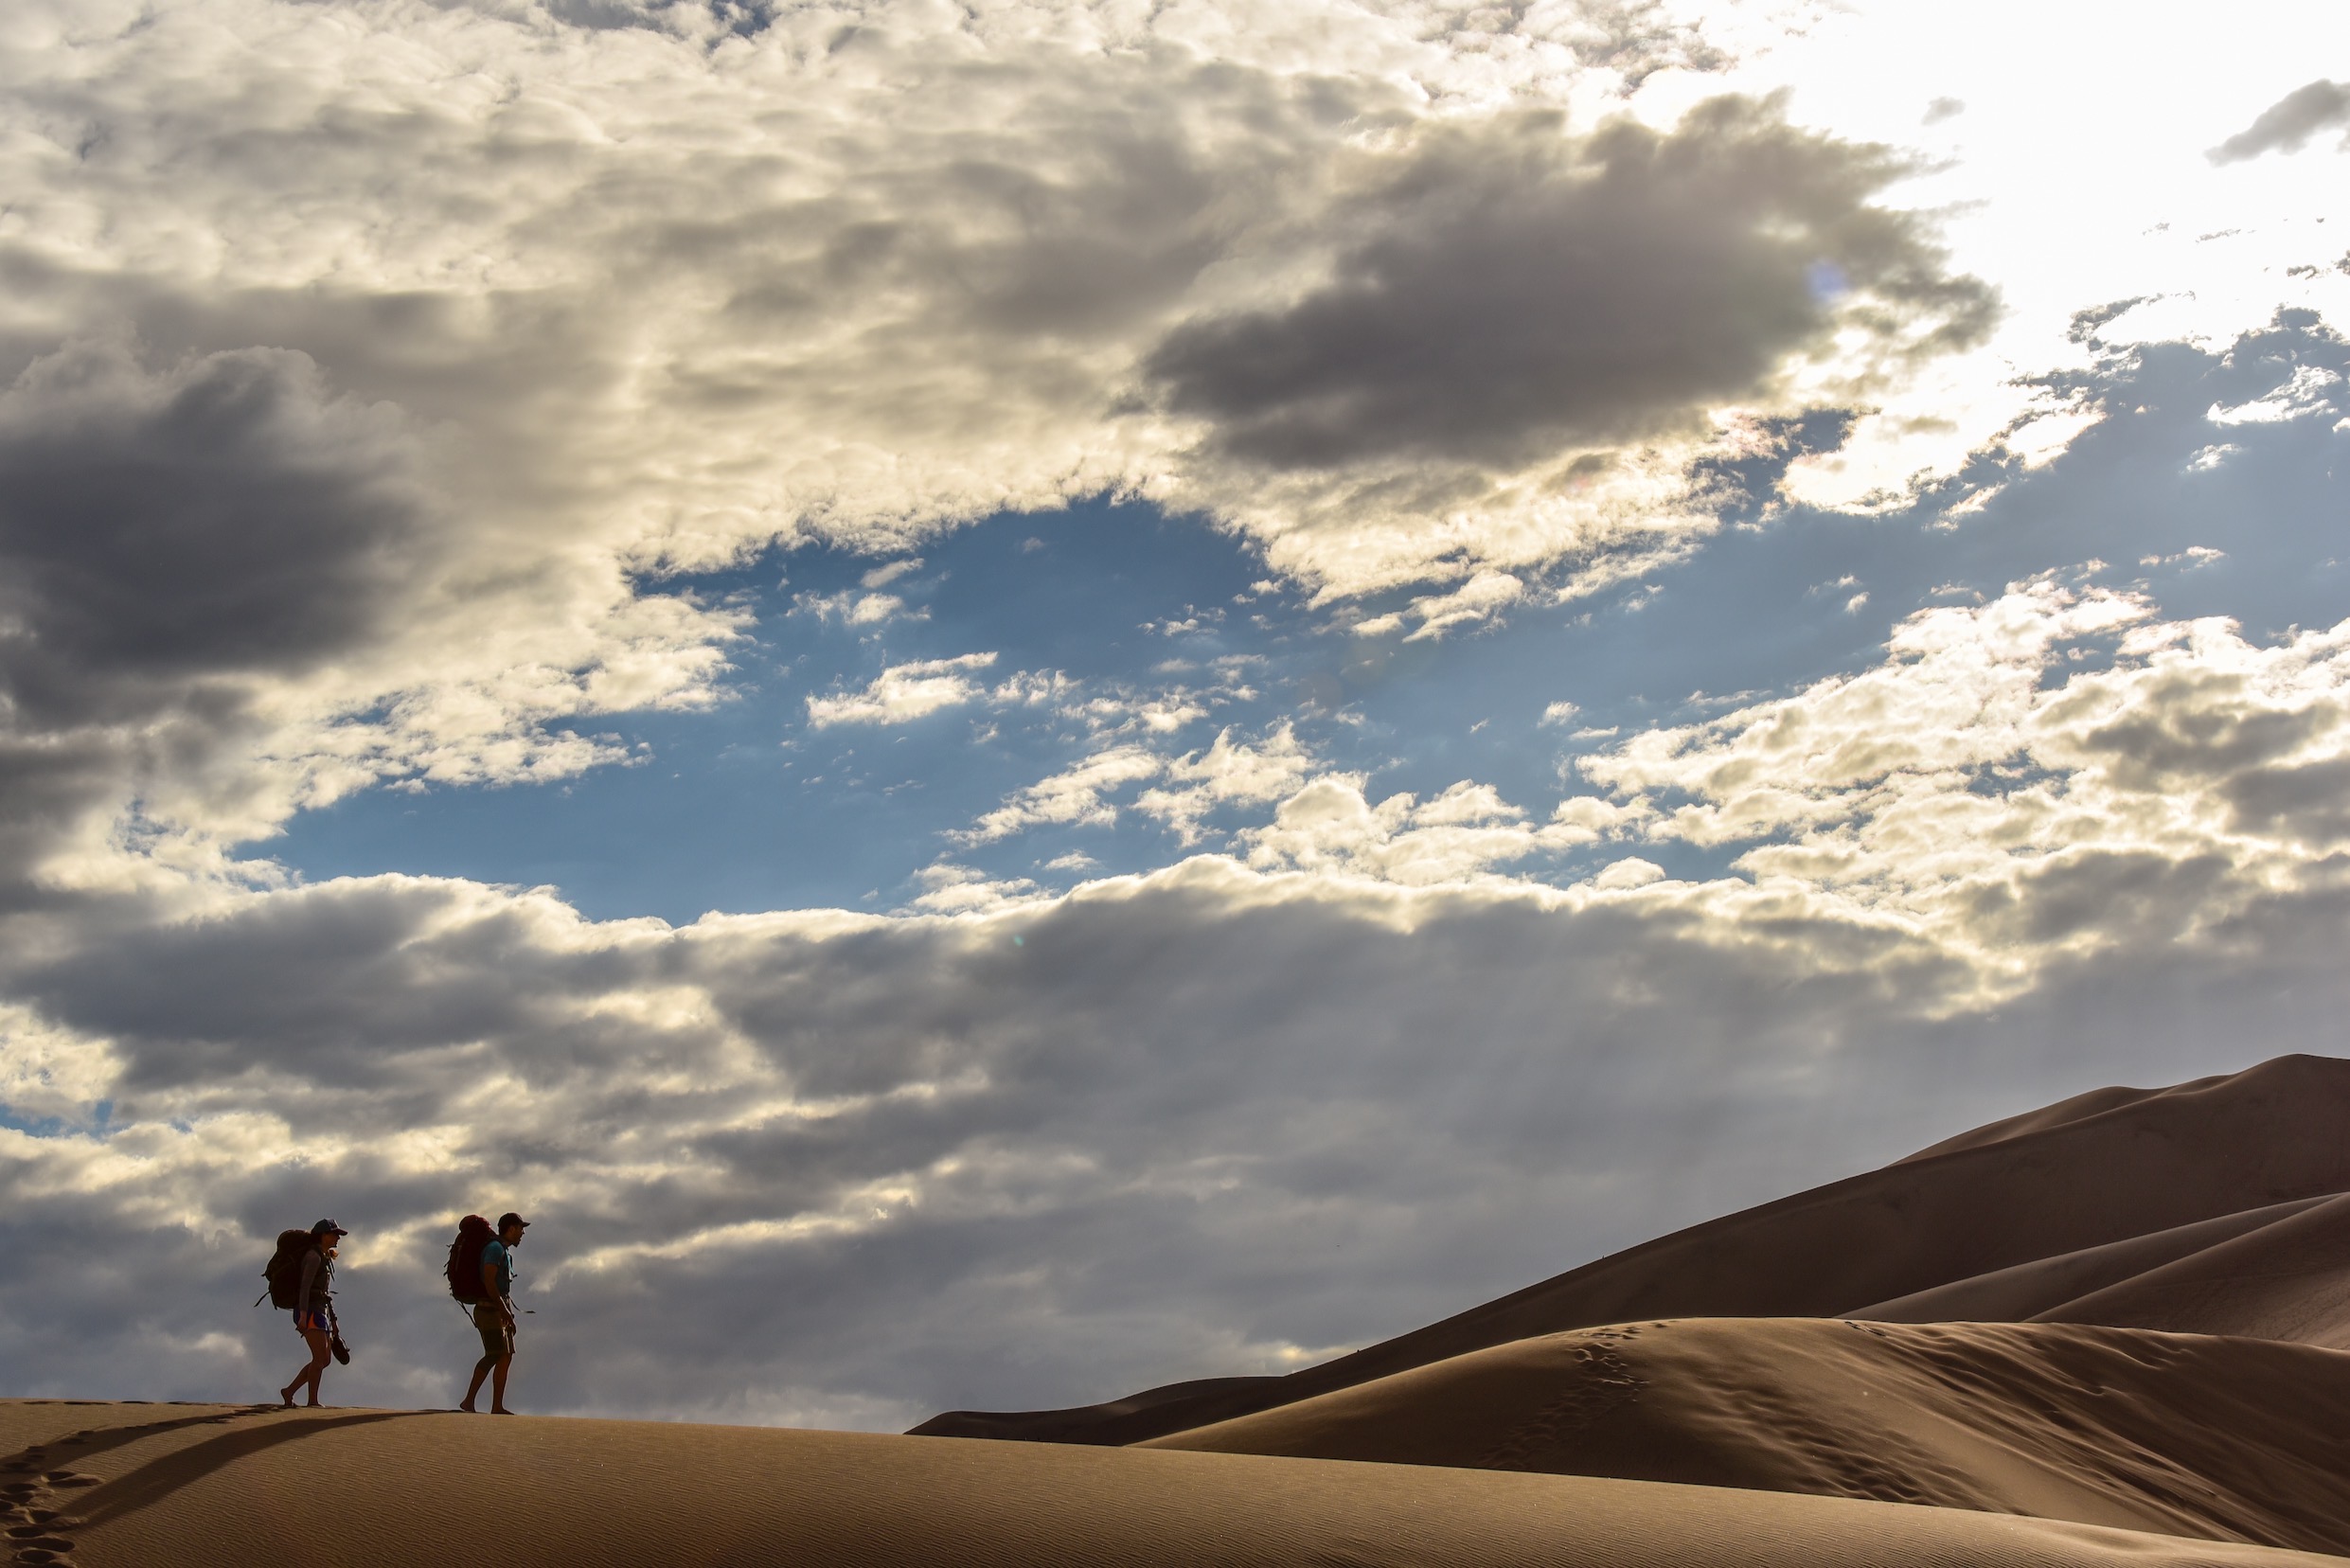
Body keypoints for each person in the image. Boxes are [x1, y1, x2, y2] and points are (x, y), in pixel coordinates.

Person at [460, 1212, 528, 1415]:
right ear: (511, 1228)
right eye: (520, 1228)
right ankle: (468, 1401)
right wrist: (504, 1310)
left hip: (497, 1310)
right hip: (488, 1310)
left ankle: (497, 1406)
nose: (522, 1233)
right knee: (494, 1354)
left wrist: (506, 1312)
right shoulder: (494, 1249)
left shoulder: (504, 1251)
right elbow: (489, 1282)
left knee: (506, 1355)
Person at [278, 1220, 347, 1408]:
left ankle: (289, 1391)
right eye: (334, 1234)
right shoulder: (313, 1257)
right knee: (319, 1358)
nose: (338, 1238)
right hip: (309, 1312)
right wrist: (302, 1315)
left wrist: (333, 1320)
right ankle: (312, 1402)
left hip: (319, 1312)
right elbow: (305, 1288)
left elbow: (323, 1293)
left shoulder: (323, 1257)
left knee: (324, 1360)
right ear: (323, 1235)